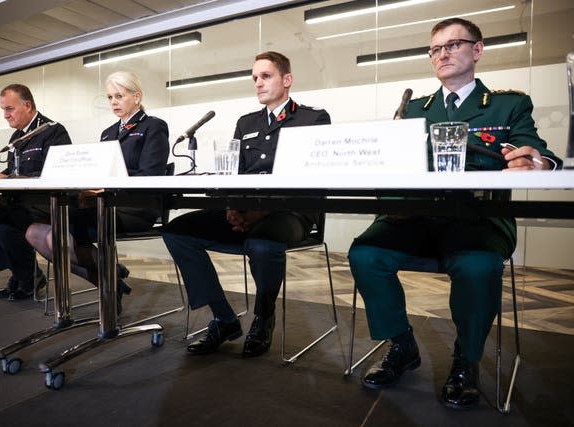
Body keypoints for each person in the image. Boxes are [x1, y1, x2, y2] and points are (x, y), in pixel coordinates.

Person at [348, 18, 562, 409]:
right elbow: (394, 165)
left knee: (478, 267)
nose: (442, 53)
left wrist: (536, 161)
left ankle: (466, 359)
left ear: (477, 51)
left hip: (478, 218)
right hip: (417, 217)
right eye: (435, 48)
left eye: (454, 44)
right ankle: (402, 344)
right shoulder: (414, 108)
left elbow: (535, 149)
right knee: (365, 253)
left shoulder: (507, 103)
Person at [162, 51, 331, 358]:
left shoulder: (312, 118)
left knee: (263, 244)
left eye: (265, 76)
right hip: (247, 212)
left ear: (287, 80)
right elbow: (234, 174)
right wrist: (232, 209)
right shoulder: (246, 122)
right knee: (177, 231)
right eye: (254, 78)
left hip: (290, 213)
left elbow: (309, 179)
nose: (257, 83)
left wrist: (260, 211)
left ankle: (263, 317)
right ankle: (224, 319)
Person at [25, 71, 169, 314]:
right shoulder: (108, 133)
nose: (113, 102)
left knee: (55, 237)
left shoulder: (153, 126)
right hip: (104, 205)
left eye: (119, 96)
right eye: (110, 97)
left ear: (137, 97)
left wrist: (106, 187)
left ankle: (109, 280)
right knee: (34, 233)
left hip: (136, 207)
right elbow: (100, 170)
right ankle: (110, 278)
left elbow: (149, 176)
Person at [0, 84, 72, 300]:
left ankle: (27, 280)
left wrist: (10, 177)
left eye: (9, 109)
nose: (5, 115)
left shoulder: (52, 131)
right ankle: (22, 272)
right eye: (3, 110)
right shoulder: (16, 137)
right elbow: (13, 170)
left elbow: (59, 171)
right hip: (16, 202)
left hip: (41, 203)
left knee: (4, 226)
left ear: (27, 105)